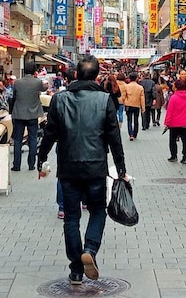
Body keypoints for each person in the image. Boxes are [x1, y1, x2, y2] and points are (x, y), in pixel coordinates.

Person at [37, 55, 127, 287]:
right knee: (97, 211)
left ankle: (76, 269)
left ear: (76, 74)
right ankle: (90, 249)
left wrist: (41, 158)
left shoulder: (59, 99)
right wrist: (121, 169)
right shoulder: (105, 99)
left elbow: (50, 133)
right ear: (97, 76)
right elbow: (114, 137)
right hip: (95, 167)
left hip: (68, 168)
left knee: (71, 217)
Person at [11, 60, 48, 171]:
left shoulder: (17, 82)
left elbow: (14, 96)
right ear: (34, 71)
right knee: (33, 139)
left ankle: (16, 165)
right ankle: (31, 165)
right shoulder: (37, 82)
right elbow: (45, 88)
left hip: (19, 114)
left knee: (18, 140)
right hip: (33, 114)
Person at [164, 79, 186, 164]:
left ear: (177, 87)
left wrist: (167, 123)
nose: (173, 87)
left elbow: (169, 112)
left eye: (174, 86)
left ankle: (174, 156)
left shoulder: (173, 98)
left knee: (173, 140)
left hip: (174, 124)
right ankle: (185, 157)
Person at [123, 71, 145, 141]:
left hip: (128, 105)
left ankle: (131, 134)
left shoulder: (126, 86)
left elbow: (123, 96)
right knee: (136, 120)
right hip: (137, 105)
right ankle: (135, 134)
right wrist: (143, 107)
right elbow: (142, 98)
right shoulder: (140, 87)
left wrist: (124, 102)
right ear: (136, 79)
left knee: (129, 120)